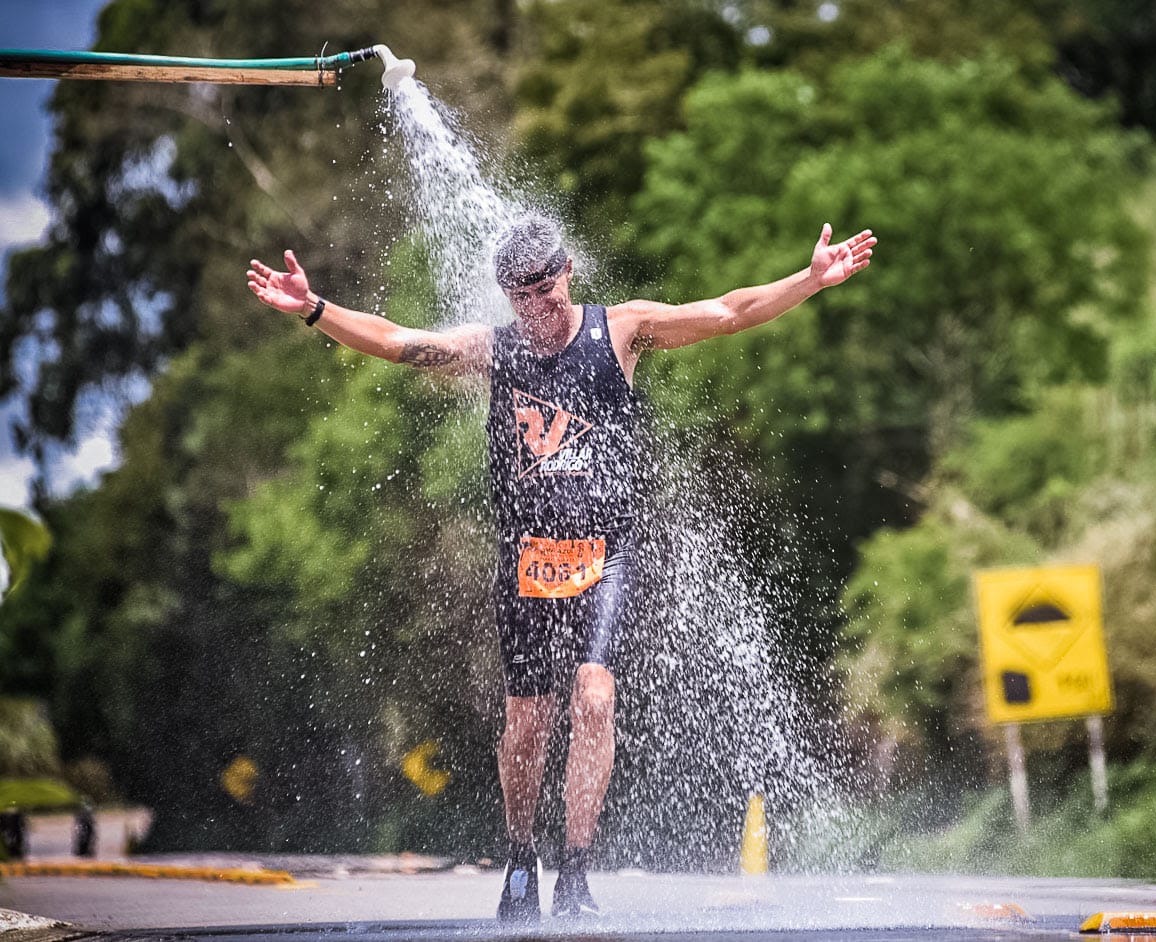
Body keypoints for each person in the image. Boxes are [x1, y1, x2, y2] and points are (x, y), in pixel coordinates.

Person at [246, 214, 875, 922]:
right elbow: (397, 343)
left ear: (566, 272)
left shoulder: (624, 331)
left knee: (595, 699)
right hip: (525, 562)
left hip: (606, 554)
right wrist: (313, 308)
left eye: (544, 290)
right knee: (528, 724)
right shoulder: (496, 350)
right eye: (519, 295)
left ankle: (576, 870)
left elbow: (727, 313)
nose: (535, 307)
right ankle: (521, 861)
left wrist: (811, 279)